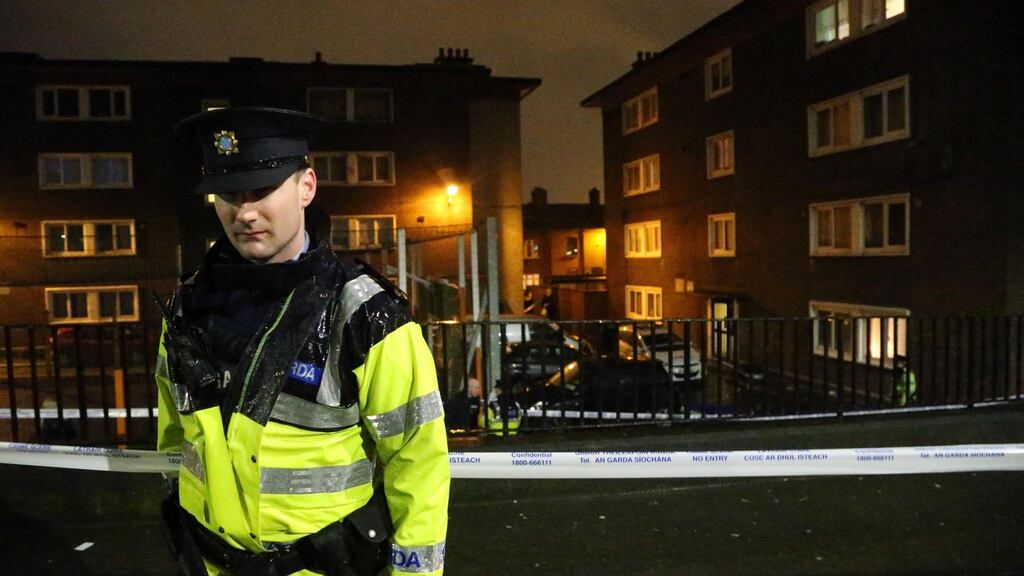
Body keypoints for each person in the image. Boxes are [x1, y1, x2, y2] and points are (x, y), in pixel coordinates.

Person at [156, 107, 449, 576]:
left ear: (306, 186)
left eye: (262, 190)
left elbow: (417, 459)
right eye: (229, 194)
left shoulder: (365, 313)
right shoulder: (187, 306)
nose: (244, 212)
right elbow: (175, 438)